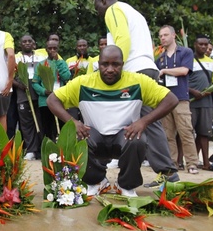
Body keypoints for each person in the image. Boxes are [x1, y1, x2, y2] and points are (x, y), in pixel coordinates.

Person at [46, 45, 178, 196]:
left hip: (124, 138)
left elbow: (171, 100)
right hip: (94, 137)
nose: (110, 69)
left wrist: (144, 121)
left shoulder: (139, 82)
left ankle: (125, 185)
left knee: (138, 140)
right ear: (98, 64)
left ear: (123, 64)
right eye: (105, 64)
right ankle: (97, 181)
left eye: (116, 64)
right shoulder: (83, 83)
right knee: (77, 137)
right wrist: (72, 122)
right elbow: (52, 100)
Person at [94, 0, 179, 185]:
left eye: (97, 7)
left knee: (110, 116)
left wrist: (115, 70)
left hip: (133, 71)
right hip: (148, 68)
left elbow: (123, 40)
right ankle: (167, 172)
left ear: (104, 1)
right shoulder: (134, 13)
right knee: (150, 122)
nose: (98, 12)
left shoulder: (113, 10)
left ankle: (100, 172)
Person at [156, 25, 200, 174]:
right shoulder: (160, 58)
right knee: (167, 134)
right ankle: (171, 163)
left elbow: (184, 70)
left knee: (186, 132)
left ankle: (192, 163)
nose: (162, 38)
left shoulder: (185, 52)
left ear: (174, 35)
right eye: (161, 36)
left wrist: (164, 71)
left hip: (180, 98)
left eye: (165, 35)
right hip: (165, 100)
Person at [32, 39, 71, 141]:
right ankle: (49, 152)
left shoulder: (62, 63)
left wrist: (58, 62)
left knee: (63, 127)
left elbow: (66, 76)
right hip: (45, 101)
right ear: (46, 50)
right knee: (48, 128)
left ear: (58, 49)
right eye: (50, 48)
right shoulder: (41, 64)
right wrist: (44, 91)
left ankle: (63, 151)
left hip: (60, 99)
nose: (52, 50)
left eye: (55, 48)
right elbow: (35, 83)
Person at [14, 34, 46, 159]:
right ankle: (30, 150)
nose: (27, 43)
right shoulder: (16, 58)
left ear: (33, 44)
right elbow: (9, 76)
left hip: (39, 92)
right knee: (26, 123)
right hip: (23, 93)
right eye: (24, 41)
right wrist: (19, 85)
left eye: (29, 41)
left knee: (41, 121)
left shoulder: (41, 56)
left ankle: (42, 149)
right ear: (20, 44)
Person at [190, 34, 213, 170]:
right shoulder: (188, 60)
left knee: (204, 133)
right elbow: (182, 81)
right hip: (190, 101)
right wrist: (192, 91)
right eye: (201, 44)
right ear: (195, 44)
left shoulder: (212, 63)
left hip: (206, 103)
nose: (203, 47)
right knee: (186, 132)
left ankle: (206, 163)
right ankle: (182, 161)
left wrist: (211, 90)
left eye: (206, 44)